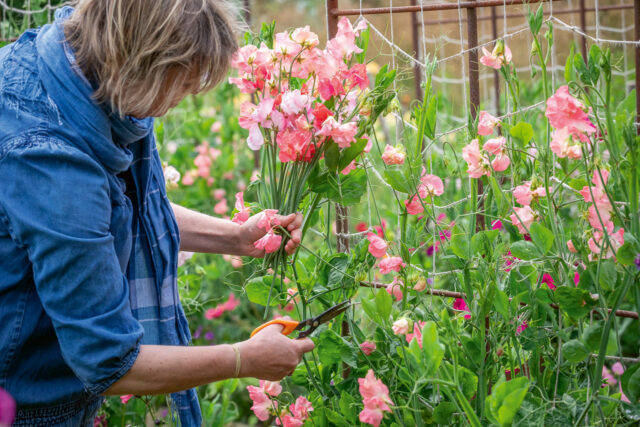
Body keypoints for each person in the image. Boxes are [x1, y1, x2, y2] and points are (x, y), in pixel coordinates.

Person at [0, 1, 314, 426]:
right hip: (22, 403)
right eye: (182, 84)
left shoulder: (57, 65)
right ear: (142, 64)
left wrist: (235, 237)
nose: (181, 101)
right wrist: (243, 358)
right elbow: (109, 361)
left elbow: (113, 212)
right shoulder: (52, 165)